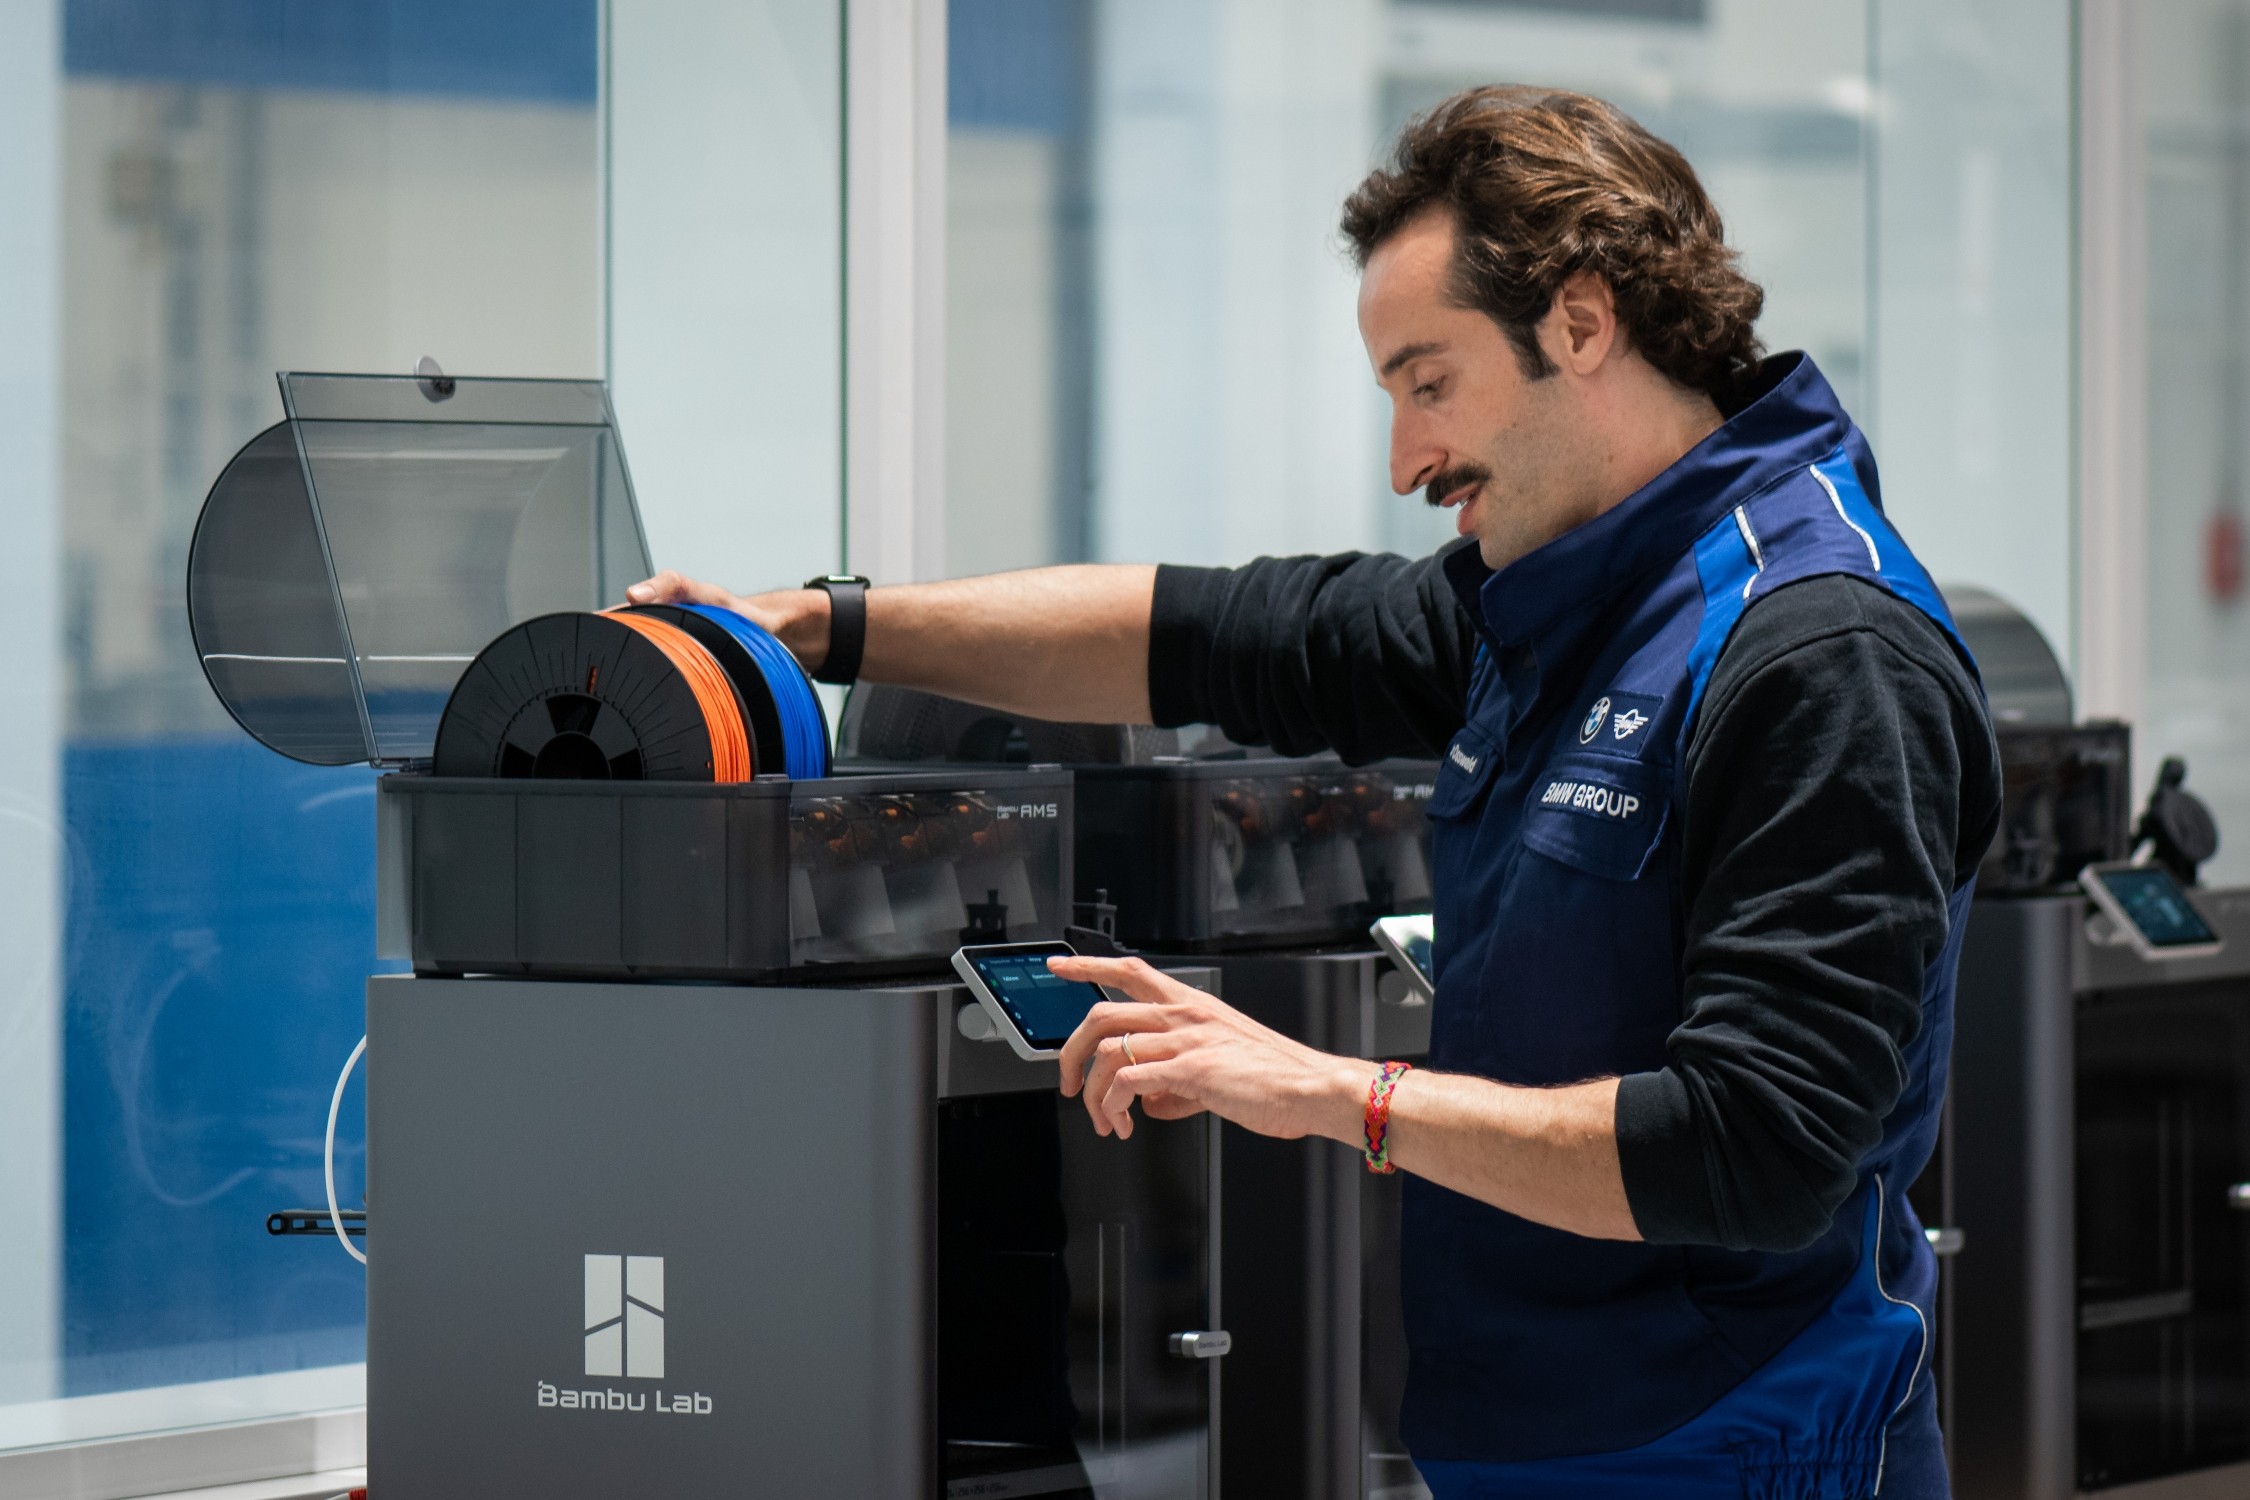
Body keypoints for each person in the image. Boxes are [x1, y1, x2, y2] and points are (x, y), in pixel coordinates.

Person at [632, 85, 2000, 1499]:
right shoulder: (1558, 598)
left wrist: (1331, 1092)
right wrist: (813, 627)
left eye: (1429, 382)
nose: (1407, 460)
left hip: (1751, 1449)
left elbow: (1758, 1150)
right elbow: (1208, 633)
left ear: (1583, 323)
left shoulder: (1817, 648)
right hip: (1527, 1437)